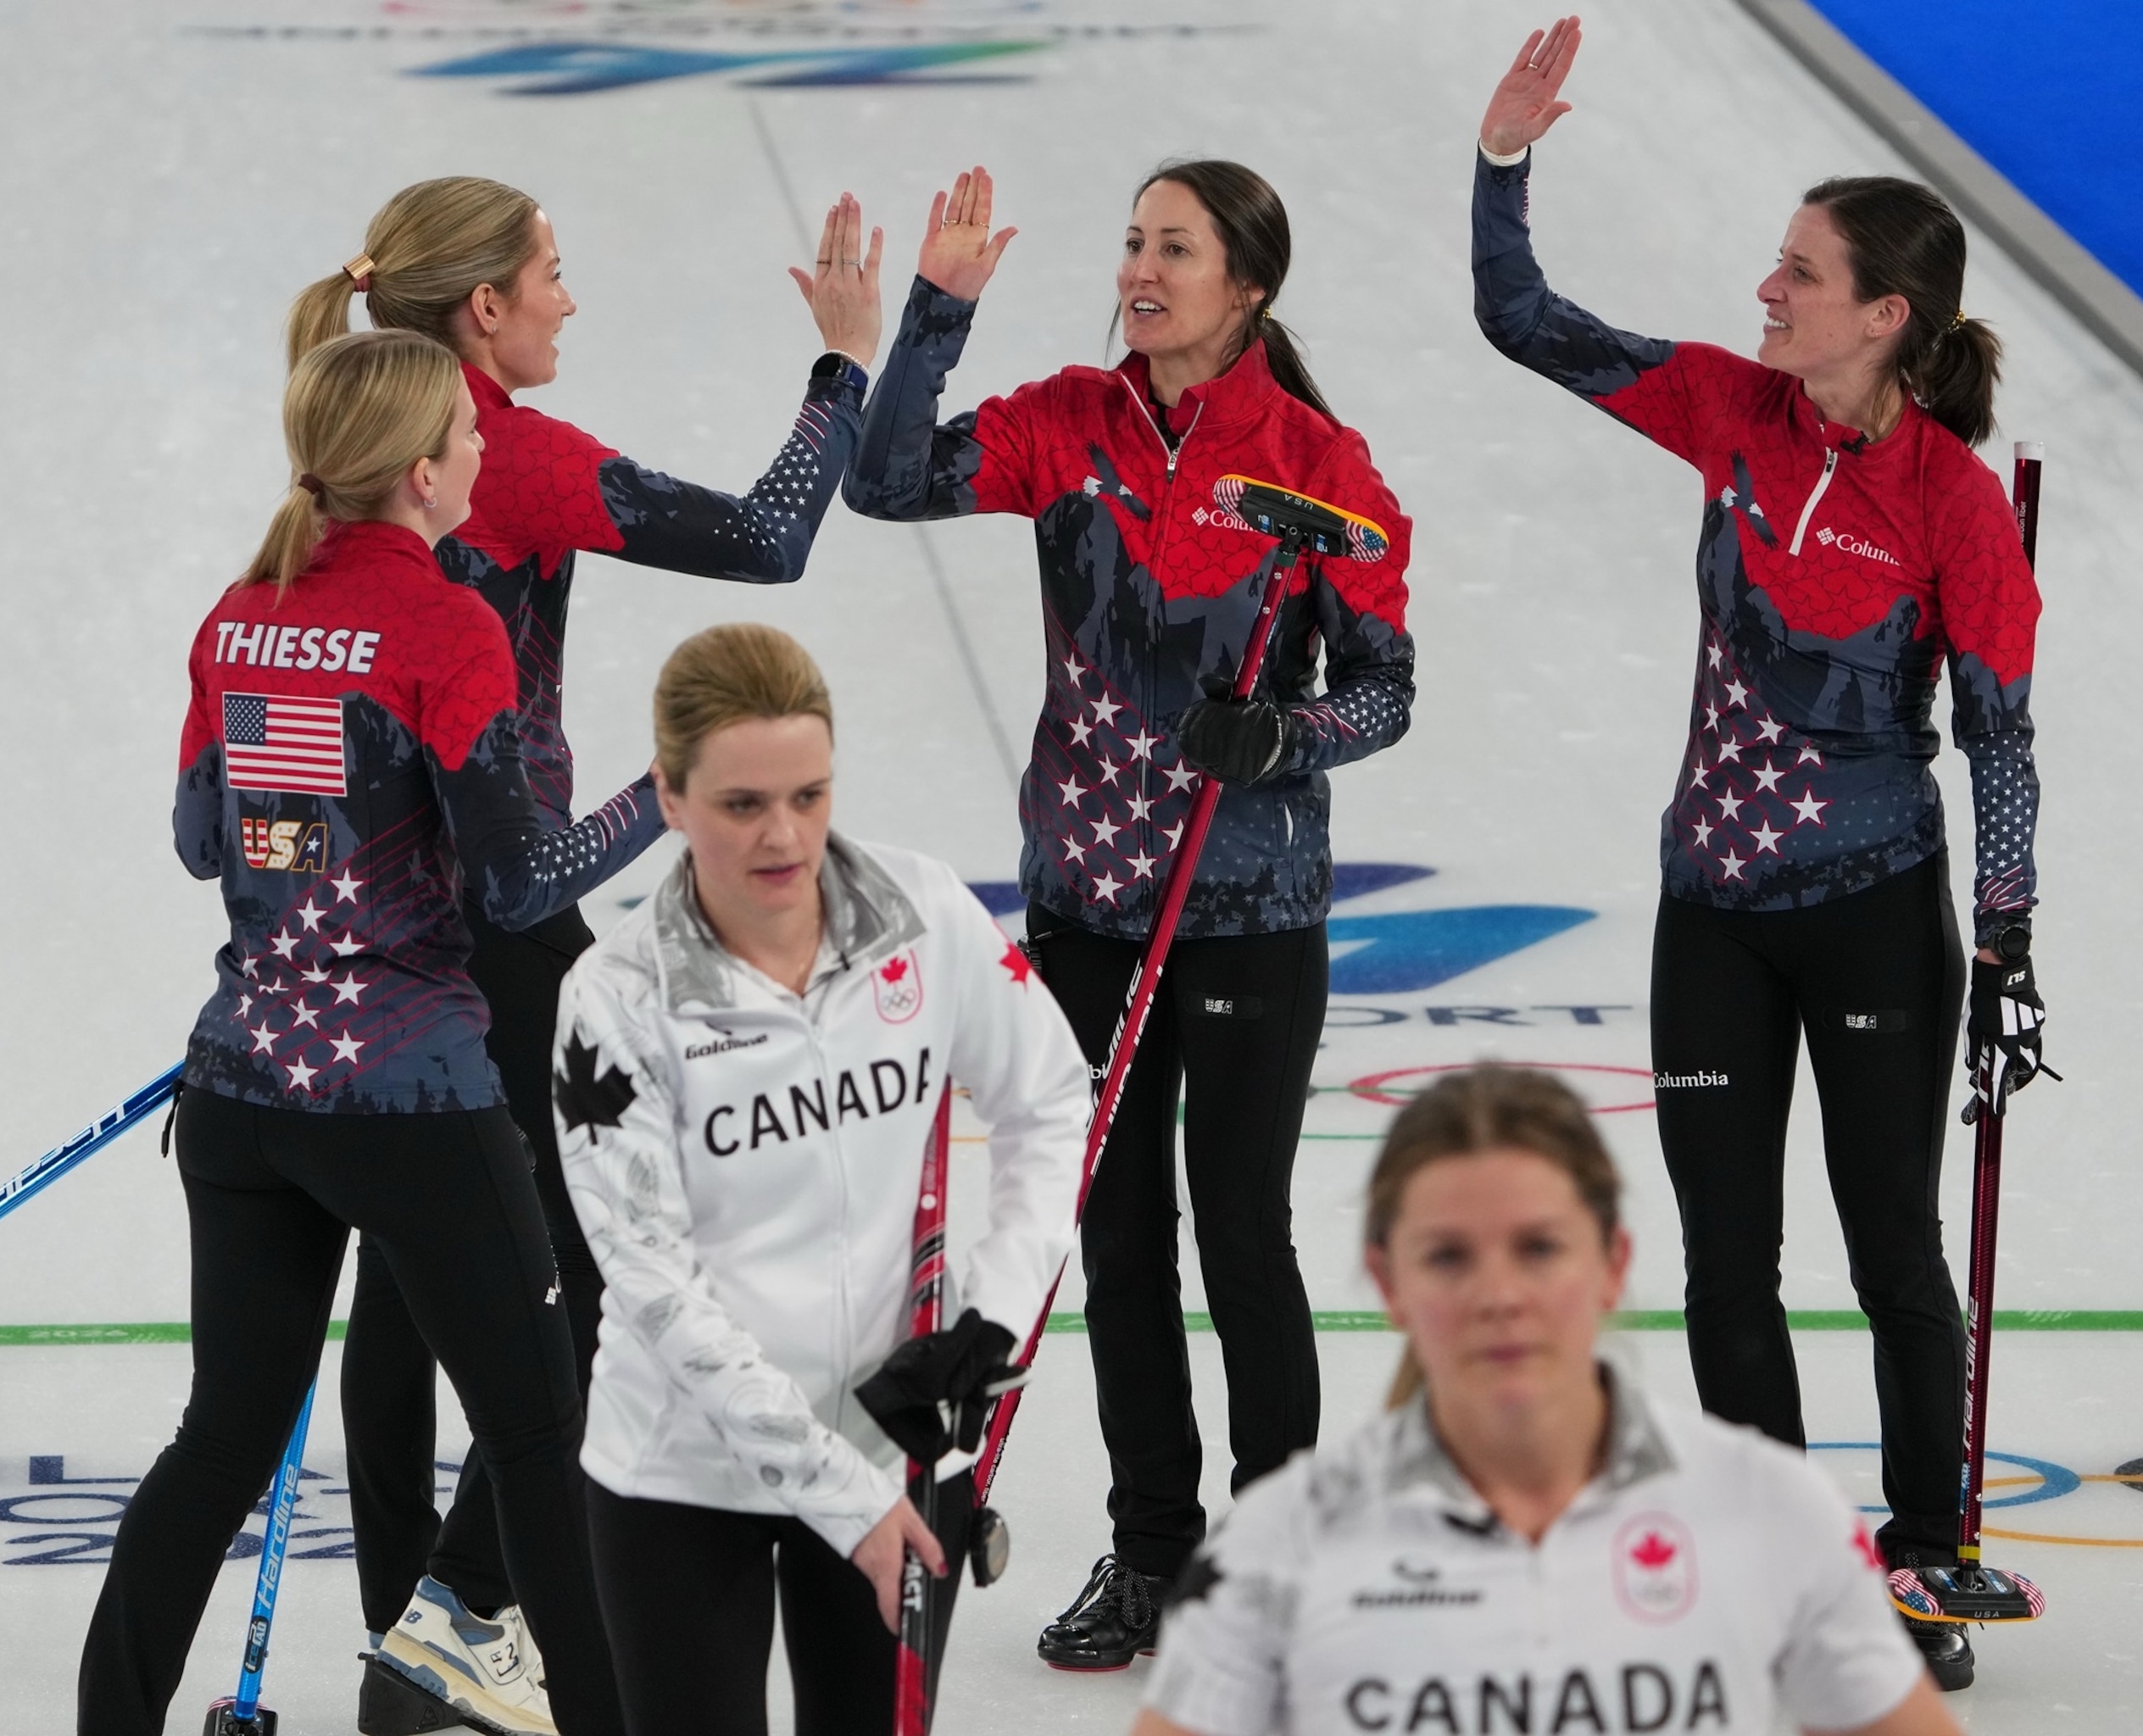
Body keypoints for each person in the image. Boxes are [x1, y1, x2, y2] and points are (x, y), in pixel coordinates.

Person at [1469, 17, 2048, 1692]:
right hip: (1709, 910)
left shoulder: (1954, 501)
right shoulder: (1732, 411)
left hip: (1877, 917)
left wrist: (2005, 933)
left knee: (1888, 1251)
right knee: (1729, 1259)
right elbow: (1524, 322)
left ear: (1889, 315)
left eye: (1798, 273)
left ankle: (1927, 1554)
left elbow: (2000, 734)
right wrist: (1505, 161)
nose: (1763, 291)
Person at [281, 177, 886, 1732]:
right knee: (617, 1258)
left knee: (412, 1284)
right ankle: (459, 1614)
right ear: (482, 311)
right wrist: (841, 366)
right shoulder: (513, 456)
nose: (567, 300)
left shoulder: (354, 449)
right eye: (551, 276)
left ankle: (412, 1621)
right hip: (510, 926)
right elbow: (764, 540)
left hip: (376, 929)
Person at [843, 161, 1417, 1670]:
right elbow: (884, 475)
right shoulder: (1067, 421)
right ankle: (1154, 1549)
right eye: (1132, 243)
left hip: (1245, 908)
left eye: (1175, 248)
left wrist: (1284, 738)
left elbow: (1384, 688)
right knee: (1117, 1237)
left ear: (1248, 286)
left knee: (1238, 1233)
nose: (1141, 269)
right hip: (1091, 903)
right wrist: (937, 313)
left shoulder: (1315, 460)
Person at [75, 329, 633, 1736]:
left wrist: (315, 858)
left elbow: (210, 839)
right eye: (464, 430)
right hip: (411, 1101)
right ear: (416, 467)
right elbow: (512, 884)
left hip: (248, 1090)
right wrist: (654, 807)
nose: (483, 450)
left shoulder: (239, 612)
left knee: (221, 1438)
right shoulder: (451, 626)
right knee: (537, 1436)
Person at [553, 622, 1092, 1735]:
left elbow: (1050, 1100)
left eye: (809, 793)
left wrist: (992, 1320)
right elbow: (654, 1289)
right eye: (742, 804)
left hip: (891, 1441)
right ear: (668, 795)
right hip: (681, 1472)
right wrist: (848, 1500)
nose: (783, 835)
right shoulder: (613, 1000)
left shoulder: (926, 916)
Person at [1133, 1064, 1962, 1736]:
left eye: (1539, 1247)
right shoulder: (1277, 1546)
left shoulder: (1769, 1509)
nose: (1499, 1293)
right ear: (1389, 1281)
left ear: (1611, 1260)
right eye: (1449, 1255)